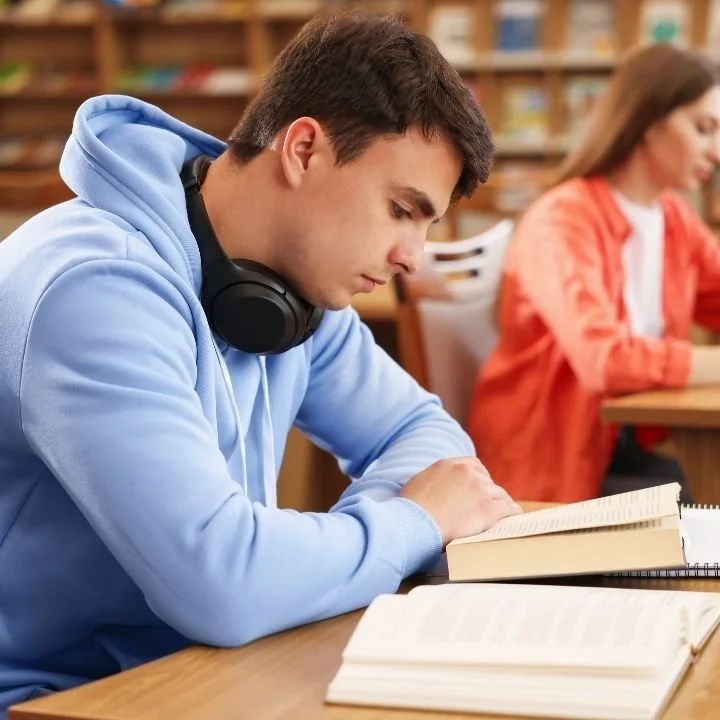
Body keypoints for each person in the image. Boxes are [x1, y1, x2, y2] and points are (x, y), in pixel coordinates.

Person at [0, 11, 522, 715]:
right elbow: (222, 584)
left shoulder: (292, 297)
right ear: (303, 149)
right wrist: (411, 524)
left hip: (211, 669)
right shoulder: (92, 288)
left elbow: (429, 442)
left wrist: (341, 541)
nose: (412, 256)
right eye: (402, 208)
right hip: (57, 698)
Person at [468, 42, 720, 504]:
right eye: (704, 128)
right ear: (649, 119)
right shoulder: (563, 219)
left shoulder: (673, 218)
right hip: (557, 465)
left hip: (624, 447)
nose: (716, 150)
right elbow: (603, 359)